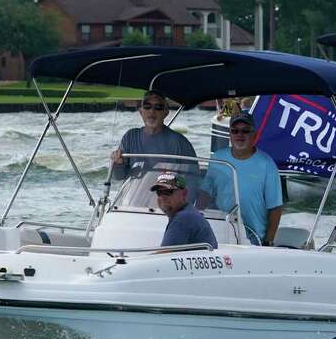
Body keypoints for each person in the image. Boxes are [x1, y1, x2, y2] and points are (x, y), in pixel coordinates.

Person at [200, 111, 283, 246]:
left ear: (254, 135)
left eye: (245, 131)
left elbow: (275, 208)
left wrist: (268, 242)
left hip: (253, 239)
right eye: (235, 131)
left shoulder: (267, 164)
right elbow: (205, 193)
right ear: (230, 134)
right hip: (221, 232)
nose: (240, 135)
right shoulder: (217, 158)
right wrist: (196, 217)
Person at [111, 89, 196, 180]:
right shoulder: (130, 137)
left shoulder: (180, 142)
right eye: (147, 106)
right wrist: (118, 164)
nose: (152, 111)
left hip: (166, 193)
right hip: (136, 193)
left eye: (158, 107)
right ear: (141, 112)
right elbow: (119, 177)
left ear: (166, 112)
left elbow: (193, 180)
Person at [153, 172, 218, 250]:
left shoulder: (183, 218)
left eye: (168, 192)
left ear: (184, 193)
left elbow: (163, 256)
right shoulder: (190, 213)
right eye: (159, 192)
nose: (162, 197)